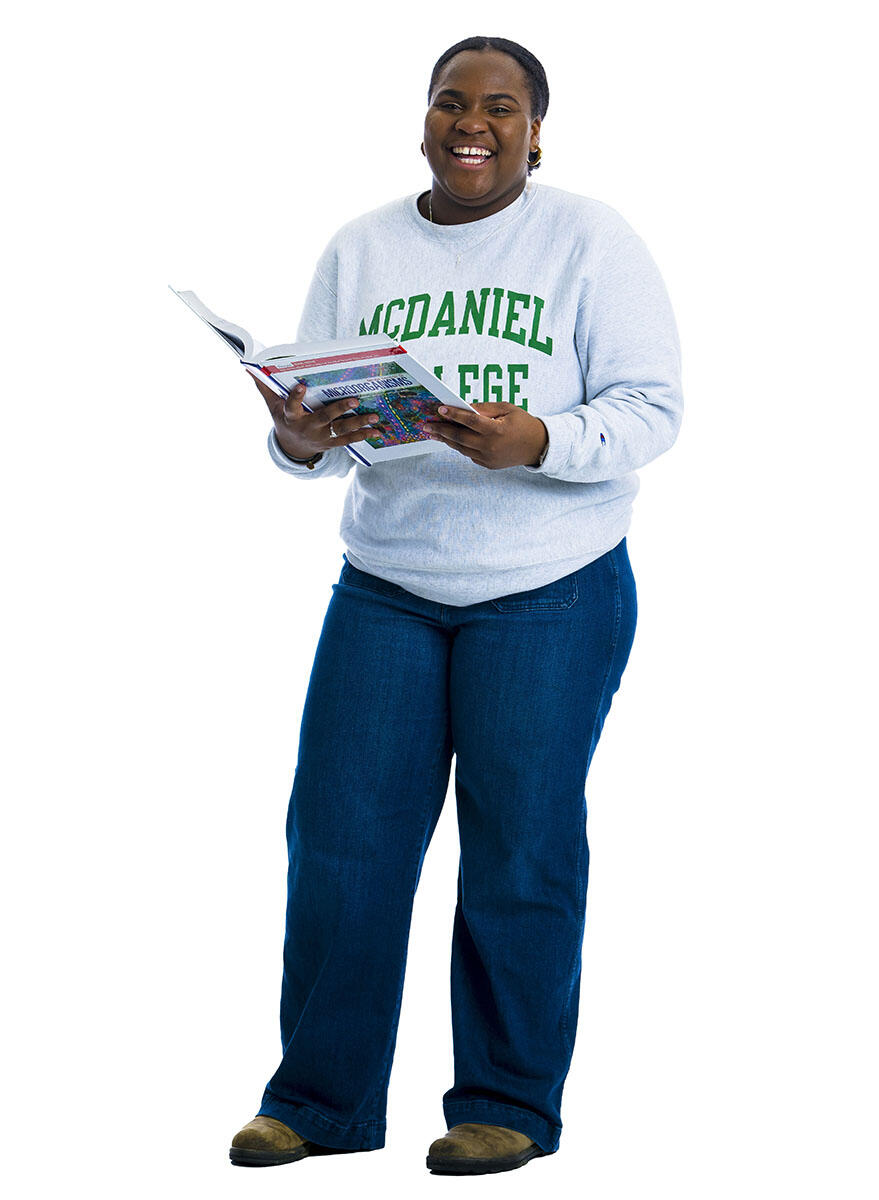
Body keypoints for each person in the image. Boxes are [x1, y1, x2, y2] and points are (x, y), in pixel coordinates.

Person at [229, 35, 682, 1176]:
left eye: (499, 107)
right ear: (423, 119)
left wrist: (540, 441)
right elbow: (318, 432)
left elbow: (654, 408)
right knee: (340, 845)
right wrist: (296, 434)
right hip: (386, 587)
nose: (469, 123)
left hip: (549, 591)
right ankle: (320, 1102)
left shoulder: (590, 238)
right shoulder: (362, 244)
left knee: (519, 851)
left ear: (537, 129)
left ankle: (507, 1105)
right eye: (449, 102)